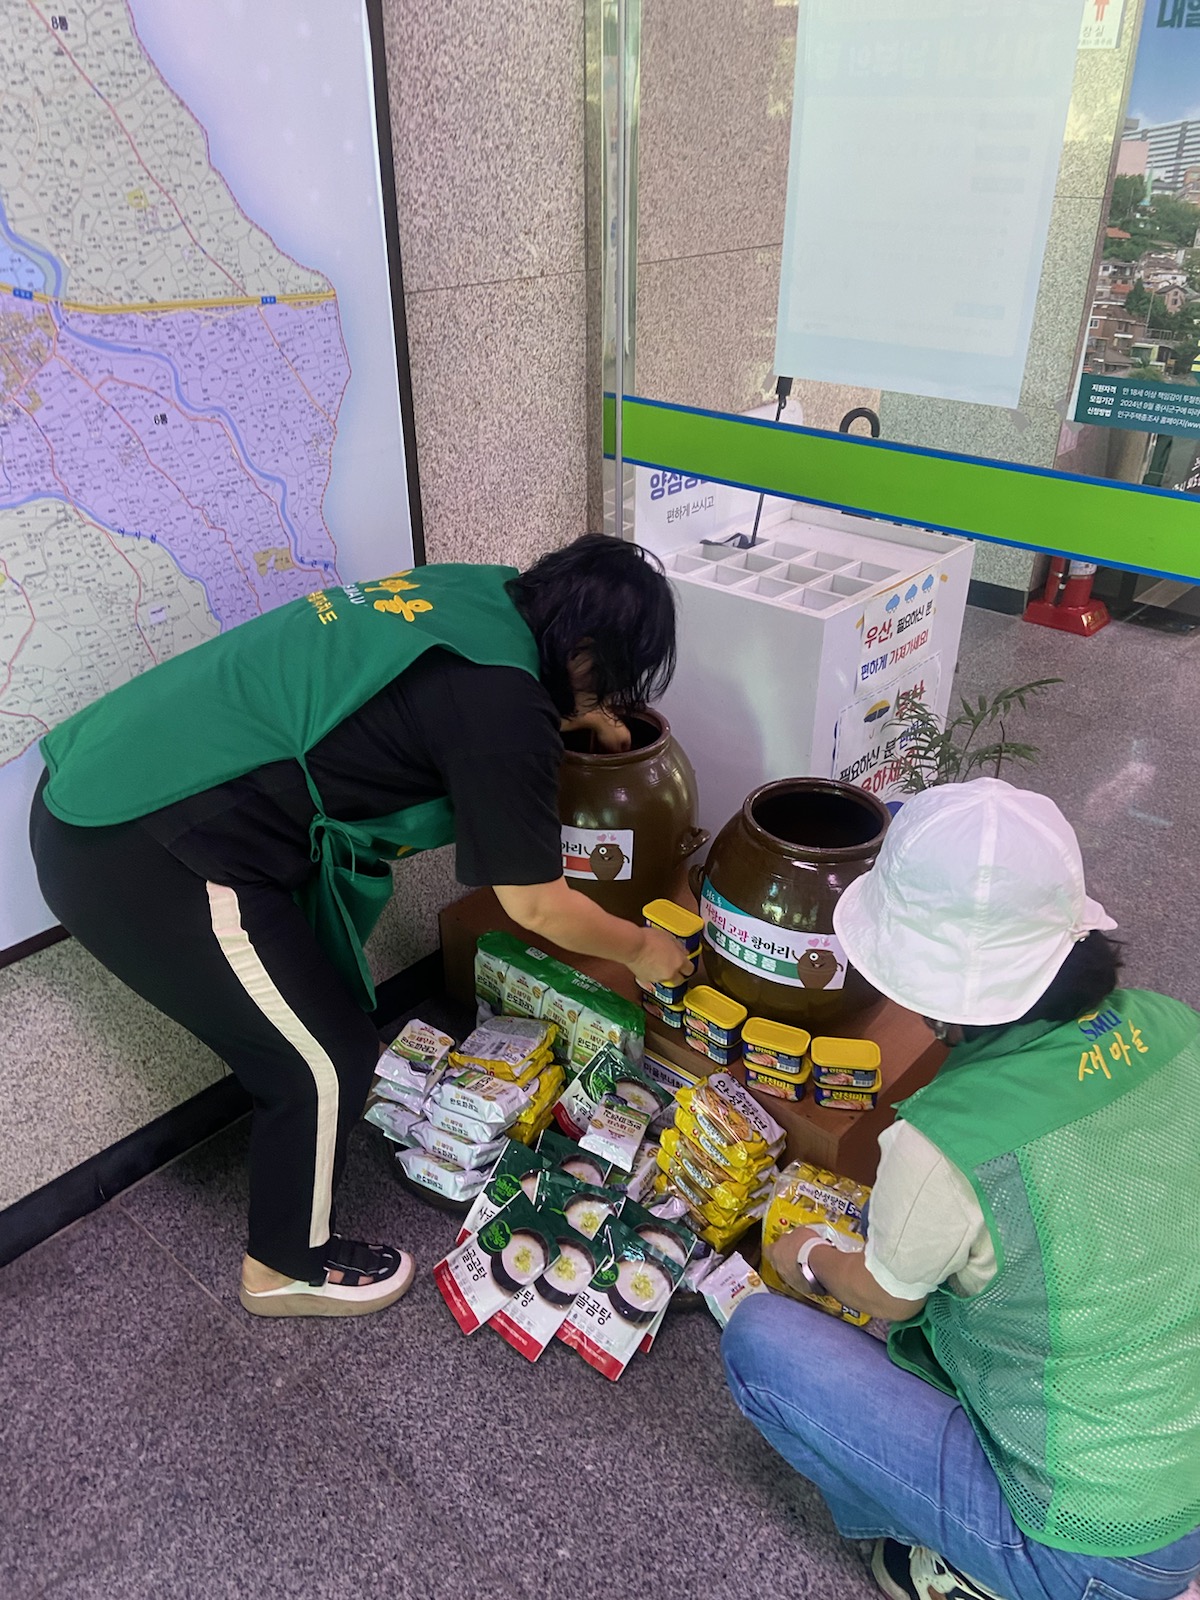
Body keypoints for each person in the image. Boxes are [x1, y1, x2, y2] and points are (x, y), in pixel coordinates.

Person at [30, 536, 692, 1320]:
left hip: (119, 771)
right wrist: (646, 948)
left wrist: (585, 714)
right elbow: (536, 904)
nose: (606, 701)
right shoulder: (504, 709)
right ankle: (283, 1267)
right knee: (322, 1062)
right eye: (609, 681)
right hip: (138, 851)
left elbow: (459, 701)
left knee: (329, 1030)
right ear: (582, 649)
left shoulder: (482, 591)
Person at [721, 779, 1200, 1600]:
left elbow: (888, 1297)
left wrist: (810, 1259)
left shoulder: (944, 1141)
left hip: (1083, 1548)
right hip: (1177, 1473)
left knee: (759, 1344)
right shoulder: (1173, 1026)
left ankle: (955, 1570)